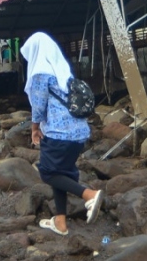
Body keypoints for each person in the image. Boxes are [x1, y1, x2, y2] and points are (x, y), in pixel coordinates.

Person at [21, 32, 104, 235]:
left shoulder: (40, 72)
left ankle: (89, 195)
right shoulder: (63, 71)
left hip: (59, 134)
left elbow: (38, 105)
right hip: (79, 134)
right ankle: (60, 221)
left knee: (48, 172)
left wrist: (34, 128)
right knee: (62, 173)